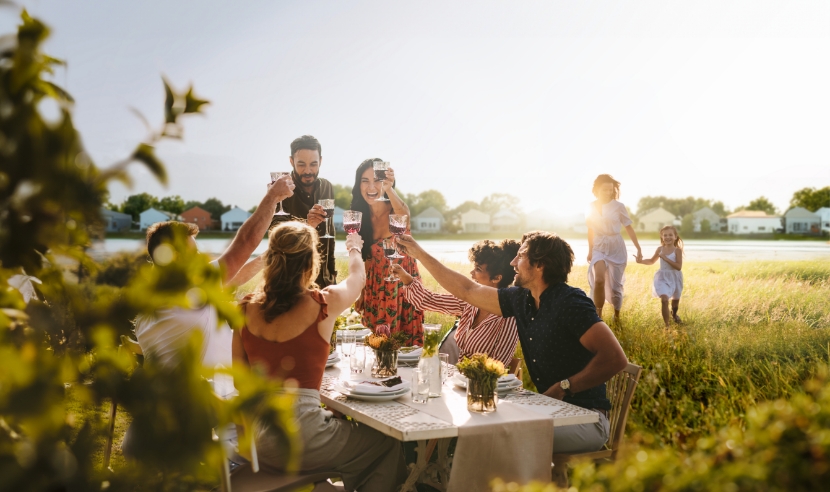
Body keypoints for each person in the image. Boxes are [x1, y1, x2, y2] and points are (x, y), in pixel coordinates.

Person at [397, 231, 629, 454]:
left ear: (540, 265)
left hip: (586, 419)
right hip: (549, 412)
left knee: (495, 436)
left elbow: (615, 359)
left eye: (521, 256)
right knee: (481, 427)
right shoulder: (522, 300)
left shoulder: (571, 302)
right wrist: (419, 253)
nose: (513, 263)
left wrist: (564, 387)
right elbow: (468, 290)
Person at [232, 222, 407, 491]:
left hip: (258, 440)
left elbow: (240, 384)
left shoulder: (244, 309)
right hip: (302, 439)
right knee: (386, 442)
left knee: (337, 428)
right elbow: (358, 280)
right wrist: (354, 248)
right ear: (310, 262)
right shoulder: (323, 303)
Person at [134, 174, 295, 369]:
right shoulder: (191, 286)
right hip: (211, 395)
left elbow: (233, 278)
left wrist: (271, 254)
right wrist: (272, 197)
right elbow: (246, 241)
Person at [391, 239, 520, 365]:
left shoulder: (509, 316)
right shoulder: (470, 303)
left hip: (482, 383)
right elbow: (427, 300)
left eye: (478, 269)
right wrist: (406, 278)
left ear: (497, 278)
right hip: (458, 379)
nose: (472, 273)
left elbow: (497, 365)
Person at [350, 158, 423, 346]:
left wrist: (389, 189)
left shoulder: (395, 209)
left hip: (402, 287)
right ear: (358, 185)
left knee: (405, 350)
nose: (371, 186)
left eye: (377, 180)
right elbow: (366, 258)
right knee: (378, 348)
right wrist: (362, 292)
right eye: (365, 181)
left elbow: (404, 216)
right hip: (375, 289)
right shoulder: (359, 216)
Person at [279, 135, 337, 287]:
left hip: (325, 282)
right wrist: (307, 225)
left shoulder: (327, 187)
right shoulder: (279, 191)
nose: (308, 171)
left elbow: (330, 236)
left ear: (321, 161)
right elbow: (278, 242)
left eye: (313, 164)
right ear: (291, 161)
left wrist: (332, 275)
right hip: (293, 283)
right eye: (301, 164)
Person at [586, 174, 642, 323]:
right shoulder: (591, 206)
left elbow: (628, 227)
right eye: (605, 189)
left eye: (610, 190)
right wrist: (590, 250)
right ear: (597, 190)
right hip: (599, 246)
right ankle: (598, 316)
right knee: (599, 280)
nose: (608, 192)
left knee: (616, 286)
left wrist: (638, 248)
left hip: (616, 246)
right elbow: (590, 230)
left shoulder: (619, 206)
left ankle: (617, 316)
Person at [636, 225, 684, 327]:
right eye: (665, 235)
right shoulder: (659, 249)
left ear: (675, 236)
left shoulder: (677, 251)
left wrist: (665, 258)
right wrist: (641, 261)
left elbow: (678, 267)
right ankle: (667, 326)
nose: (667, 237)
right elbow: (651, 261)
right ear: (662, 237)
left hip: (675, 278)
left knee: (675, 305)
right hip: (662, 278)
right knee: (664, 300)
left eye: (670, 235)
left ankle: (674, 315)